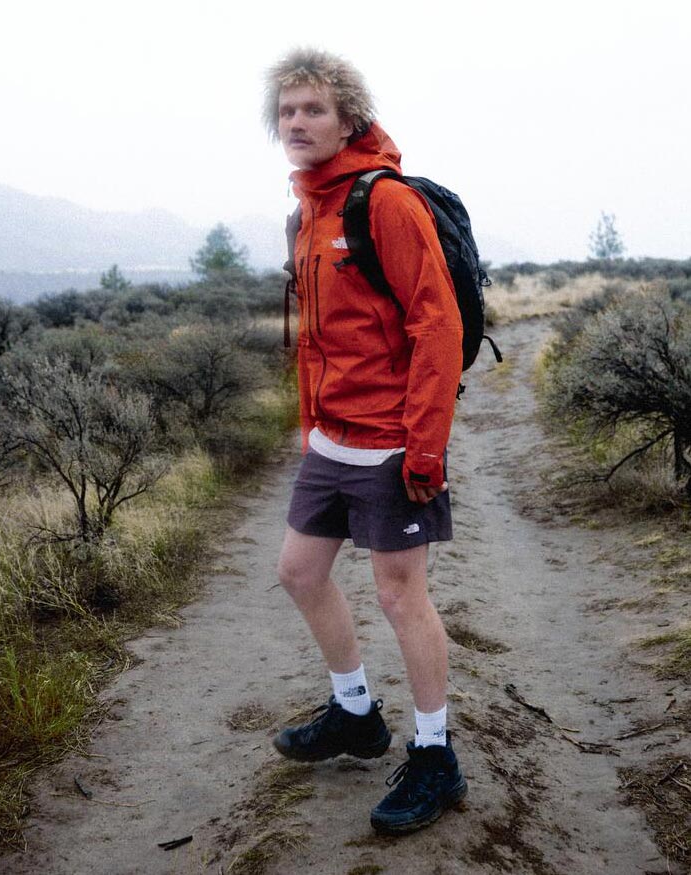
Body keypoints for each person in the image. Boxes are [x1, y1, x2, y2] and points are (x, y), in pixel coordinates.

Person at [262, 47, 468, 835]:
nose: (297, 122)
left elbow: (437, 326)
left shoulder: (384, 202)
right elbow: (318, 338)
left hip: (391, 441)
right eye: (287, 110)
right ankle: (355, 711)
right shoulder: (308, 210)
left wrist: (425, 447)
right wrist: (309, 425)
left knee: (399, 594)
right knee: (298, 570)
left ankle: (435, 754)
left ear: (348, 118)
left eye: (313, 108)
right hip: (332, 440)